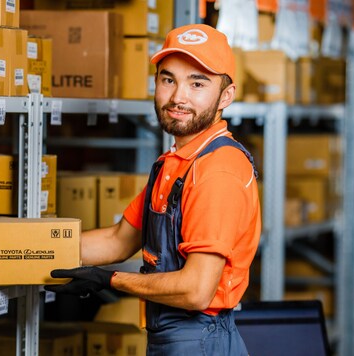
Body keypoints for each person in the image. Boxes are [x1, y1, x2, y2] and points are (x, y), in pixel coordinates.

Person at [46, 23, 261, 355]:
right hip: (171, 337)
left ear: (226, 96)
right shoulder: (175, 163)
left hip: (201, 339)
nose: (178, 97)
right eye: (168, 79)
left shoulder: (217, 170)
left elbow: (197, 290)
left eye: (197, 83)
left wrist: (110, 280)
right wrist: (23, 242)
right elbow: (118, 240)